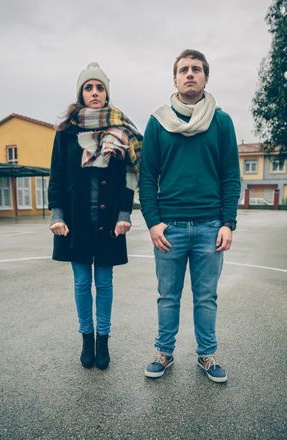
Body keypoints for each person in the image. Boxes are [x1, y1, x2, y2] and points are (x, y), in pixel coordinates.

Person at [139, 49, 241, 382]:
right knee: (168, 295)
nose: (190, 74)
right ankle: (164, 352)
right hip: (170, 228)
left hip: (211, 226)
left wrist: (228, 223)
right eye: (183, 69)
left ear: (206, 77)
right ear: (175, 78)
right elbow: (146, 176)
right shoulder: (157, 122)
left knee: (206, 296)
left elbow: (230, 175)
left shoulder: (221, 121)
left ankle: (207, 356)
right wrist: (153, 222)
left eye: (196, 69)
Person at [48, 62, 142, 370]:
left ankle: (103, 341)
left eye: (100, 87)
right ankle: (86, 339)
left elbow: (129, 177)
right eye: (89, 87)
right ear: (80, 93)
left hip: (108, 223)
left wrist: (125, 214)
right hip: (75, 222)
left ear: (106, 93)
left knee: (104, 282)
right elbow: (58, 177)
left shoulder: (120, 130)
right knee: (80, 283)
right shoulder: (65, 133)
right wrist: (57, 215)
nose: (95, 92)